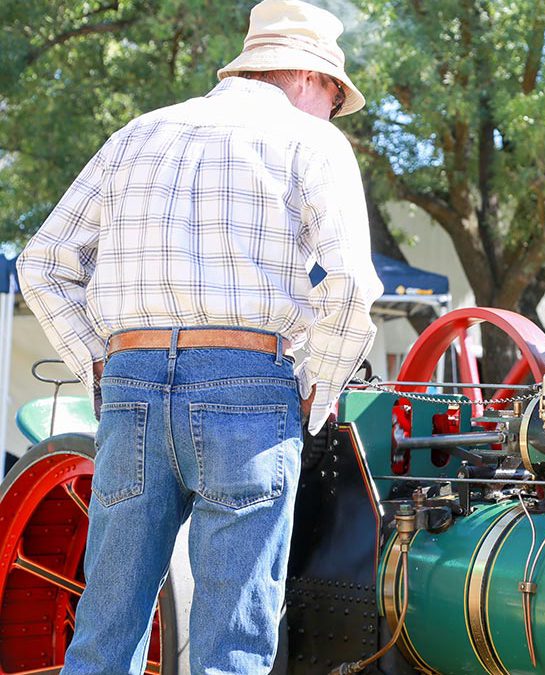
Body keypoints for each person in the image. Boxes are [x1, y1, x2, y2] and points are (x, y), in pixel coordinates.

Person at [16, 0, 382, 672]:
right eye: (336, 93)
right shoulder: (312, 141)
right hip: (247, 390)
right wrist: (316, 390)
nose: (334, 111)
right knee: (230, 647)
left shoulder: (135, 134)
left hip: (130, 391)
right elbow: (353, 285)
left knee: (102, 633)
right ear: (310, 76)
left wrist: (98, 363)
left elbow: (42, 263)